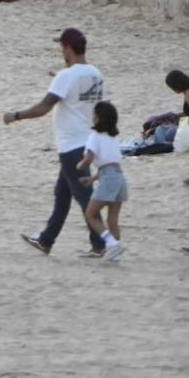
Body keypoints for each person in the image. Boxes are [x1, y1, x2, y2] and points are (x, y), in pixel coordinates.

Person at [4, 27, 108, 257]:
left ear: (68, 48)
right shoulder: (95, 73)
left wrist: (16, 115)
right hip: (87, 141)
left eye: (61, 46)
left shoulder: (66, 76)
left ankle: (102, 244)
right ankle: (46, 240)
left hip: (71, 145)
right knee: (62, 193)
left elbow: (43, 107)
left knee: (84, 197)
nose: (61, 50)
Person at [79, 103, 127, 262]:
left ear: (98, 118)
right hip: (120, 178)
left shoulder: (94, 136)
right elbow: (110, 164)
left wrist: (80, 165)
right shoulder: (113, 137)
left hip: (108, 178)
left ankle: (111, 243)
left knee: (91, 214)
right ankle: (115, 251)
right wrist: (92, 179)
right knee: (113, 218)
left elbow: (90, 158)